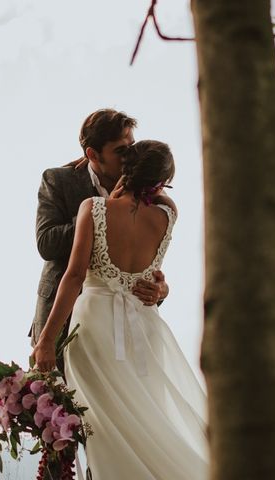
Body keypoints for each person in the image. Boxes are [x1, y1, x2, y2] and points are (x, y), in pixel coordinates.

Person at [32, 140, 208, 480]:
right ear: (162, 182)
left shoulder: (93, 208)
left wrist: (46, 340)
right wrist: (161, 287)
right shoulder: (167, 213)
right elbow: (153, 275)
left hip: (95, 326)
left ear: (125, 168)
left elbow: (74, 277)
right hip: (145, 327)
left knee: (102, 425)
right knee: (148, 418)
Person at [29, 109, 170, 366]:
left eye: (131, 147)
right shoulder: (58, 180)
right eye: (120, 151)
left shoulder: (146, 194)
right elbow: (47, 243)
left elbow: (146, 262)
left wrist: (161, 290)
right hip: (63, 320)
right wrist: (103, 211)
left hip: (126, 328)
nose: (129, 156)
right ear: (92, 154)